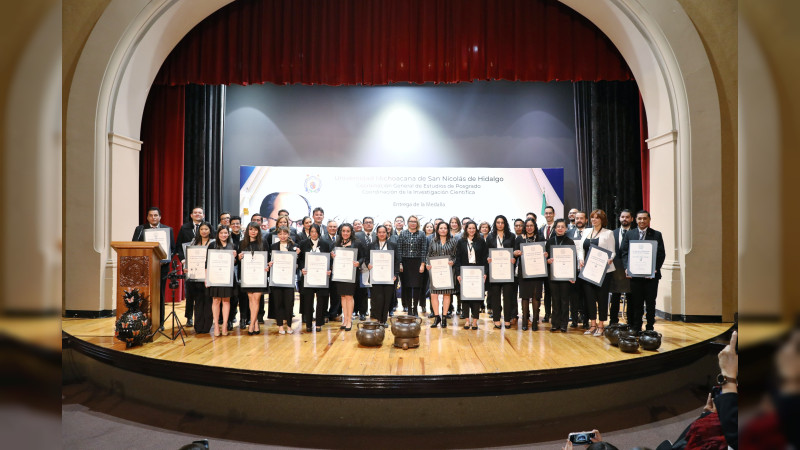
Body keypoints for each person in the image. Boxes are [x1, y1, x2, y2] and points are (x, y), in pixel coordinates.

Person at [620, 210, 666, 333]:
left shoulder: (656, 235)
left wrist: (655, 268)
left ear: (649, 220)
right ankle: (636, 327)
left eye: (645, 218)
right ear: (635, 220)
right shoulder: (630, 234)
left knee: (650, 303)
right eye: (639, 218)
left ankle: (650, 327)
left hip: (651, 276)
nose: (642, 221)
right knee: (636, 303)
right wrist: (626, 268)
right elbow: (624, 253)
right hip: (635, 276)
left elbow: (661, 254)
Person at [132, 206, 175, 329]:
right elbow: (135, 246)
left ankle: (160, 323)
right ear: (147, 217)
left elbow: (172, 248)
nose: (153, 217)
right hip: (144, 268)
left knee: (159, 295)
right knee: (143, 294)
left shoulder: (167, 229)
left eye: (155, 215)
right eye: (150, 215)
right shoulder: (140, 229)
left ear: (160, 217)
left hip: (162, 268)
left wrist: (165, 259)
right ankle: (142, 321)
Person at [578, 210, 616, 337]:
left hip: (604, 271)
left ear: (602, 220)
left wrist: (611, 258)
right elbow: (580, 249)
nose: (594, 220)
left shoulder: (608, 233)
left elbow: (612, 251)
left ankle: (601, 325)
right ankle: (592, 324)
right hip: (588, 271)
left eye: (597, 218)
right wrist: (581, 259)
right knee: (589, 298)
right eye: (592, 217)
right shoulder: (587, 231)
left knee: (602, 298)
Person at [330, 223, 364, 331]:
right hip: (340, 274)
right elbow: (332, 257)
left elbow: (363, 257)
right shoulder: (336, 243)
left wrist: (358, 263)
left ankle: (349, 320)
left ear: (351, 232)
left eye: (348, 231)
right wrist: (332, 256)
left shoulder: (357, 243)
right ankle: (345, 320)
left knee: (349, 296)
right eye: (343, 231)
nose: (345, 233)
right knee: (342, 297)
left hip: (351, 274)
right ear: (340, 232)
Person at [298, 224, 332, 332]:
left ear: (319, 233)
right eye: (312, 231)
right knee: (308, 300)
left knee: (321, 300)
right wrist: (302, 268)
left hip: (321, 277)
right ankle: (308, 323)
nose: (314, 234)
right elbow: (300, 259)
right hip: (308, 277)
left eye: (316, 232)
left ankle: (319, 323)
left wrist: (329, 269)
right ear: (309, 232)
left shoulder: (325, 244)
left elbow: (329, 259)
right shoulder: (303, 244)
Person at [455, 221, 488, 330]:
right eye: (469, 228)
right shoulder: (461, 241)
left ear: (476, 229)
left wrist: (485, 273)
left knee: (476, 297)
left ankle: (475, 321)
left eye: (473, 228)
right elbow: (458, 259)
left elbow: (484, 258)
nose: (472, 230)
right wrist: (458, 273)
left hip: (477, 271)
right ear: (466, 229)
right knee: (465, 297)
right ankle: (467, 321)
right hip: (465, 271)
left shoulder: (481, 241)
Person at [182, 221, 214, 333]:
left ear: (210, 230)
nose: (204, 231)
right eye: (201, 229)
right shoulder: (194, 241)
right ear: (198, 231)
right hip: (195, 277)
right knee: (198, 302)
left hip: (208, 276)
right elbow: (189, 257)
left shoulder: (214, 242)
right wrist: (186, 267)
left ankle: (207, 326)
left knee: (208, 302)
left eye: (206, 229)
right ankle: (198, 325)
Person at [268, 226, 301, 334]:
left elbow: (299, 262)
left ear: (288, 234)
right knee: (278, 302)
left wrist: (298, 256)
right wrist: (270, 263)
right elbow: (269, 261)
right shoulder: (273, 246)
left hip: (289, 279)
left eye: (285, 234)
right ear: (278, 235)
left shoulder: (294, 246)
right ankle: (280, 325)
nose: (283, 236)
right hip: (276, 279)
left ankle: (289, 325)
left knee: (289, 302)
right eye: (280, 234)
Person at [486, 215, 517, 329]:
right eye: (498, 222)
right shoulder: (490, 237)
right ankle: (496, 319)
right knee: (495, 296)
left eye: (502, 222)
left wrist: (514, 258)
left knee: (508, 296)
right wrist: (488, 258)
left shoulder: (511, 236)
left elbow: (514, 251)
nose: (500, 224)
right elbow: (486, 252)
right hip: (494, 270)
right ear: (495, 224)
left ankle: (507, 319)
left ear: (505, 224)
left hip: (507, 271)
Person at [514, 218, 545, 331]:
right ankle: (525, 322)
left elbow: (544, 252)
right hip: (524, 271)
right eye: (527, 226)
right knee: (525, 296)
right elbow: (514, 252)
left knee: (536, 296)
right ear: (524, 227)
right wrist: (516, 253)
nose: (529, 228)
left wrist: (545, 254)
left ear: (535, 226)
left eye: (531, 225)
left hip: (537, 271)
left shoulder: (540, 238)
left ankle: (535, 321)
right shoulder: (519, 239)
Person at [425, 222, 458, 328]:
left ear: (448, 230)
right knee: (433, 294)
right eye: (441, 228)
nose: (443, 230)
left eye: (445, 228)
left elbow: (457, 255)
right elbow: (428, 255)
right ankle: (436, 316)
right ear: (437, 230)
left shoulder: (453, 241)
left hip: (448, 271)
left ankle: (444, 317)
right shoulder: (432, 241)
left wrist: (453, 261)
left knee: (446, 294)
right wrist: (427, 264)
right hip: (435, 272)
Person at [366, 225, 399, 327]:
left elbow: (397, 261)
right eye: (379, 232)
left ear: (387, 233)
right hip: (376, 277)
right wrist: (368, 264)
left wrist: (395, 274)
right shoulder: (371, 245)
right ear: (377, 233)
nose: (381, 234)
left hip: (389, 277)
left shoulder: (393, 245)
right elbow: (367, 259)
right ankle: (378, 319)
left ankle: (383, 320)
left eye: (383, 232)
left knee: (387, 299)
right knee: (378, 299)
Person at [238, 222, 268, 335]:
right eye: (251, 229)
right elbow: (238, 260)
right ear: (247, 231)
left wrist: (267, 266)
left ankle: (251, 324)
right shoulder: (242, 243)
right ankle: (255, 323)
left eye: (255, 229)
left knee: (256, 299)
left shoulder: (263, 242)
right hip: (248, 276)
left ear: (258, 231)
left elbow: (267, 257)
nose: (253, 232)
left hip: (259, 276)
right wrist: (239, 257)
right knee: (251, 299)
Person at [208, 224, 237, 337]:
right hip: (215, 276)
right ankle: (216, 325)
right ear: (218, 234)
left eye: (225, 233)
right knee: (216, 301)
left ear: (228, 234)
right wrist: (207, 278)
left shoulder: (232, 245)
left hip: (227, 277)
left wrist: (235, 258)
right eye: (221, 233)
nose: (223, 235)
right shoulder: (212, 245)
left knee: (226, 301)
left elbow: (235, 263)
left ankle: (224, 325)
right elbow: (207, 262)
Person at [546, 219, 575, 333]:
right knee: (555, 299)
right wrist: (548, 260)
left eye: (562, 226)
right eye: (558, 226)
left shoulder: (570, 242)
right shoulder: (550, 241)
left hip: (566, 275)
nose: (560, 228)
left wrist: (572, 275)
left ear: (566, 229)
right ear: (555, 228)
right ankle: (555, 323)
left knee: (564, 300)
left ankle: (564, 324)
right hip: (553, 275)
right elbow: (546, 258)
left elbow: (573, 260)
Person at [397, 215, 428, 316]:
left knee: (417, 287)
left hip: (418, 263)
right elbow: (399, 249)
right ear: (408, 222)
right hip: (405, 263)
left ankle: (415, 308)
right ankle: (409, 308)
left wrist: (422, 264)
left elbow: (424, 250)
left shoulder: (422, 234)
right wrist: (400, 263)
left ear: (417, 223)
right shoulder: (403, 233)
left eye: (415, 221)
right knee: (406, 286)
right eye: (411, 221)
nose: (413, 223)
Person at [609, 209, 633, 324]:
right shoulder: (612, 233)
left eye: (627, 217)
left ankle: (630, 322)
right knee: (615, 297)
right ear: (619, 218)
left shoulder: (635, 233)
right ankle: (613, 321)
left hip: (630, 269)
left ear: (631, 219)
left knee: (631, 298)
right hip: (615, 269)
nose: (625, 219)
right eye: (622, 217)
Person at [568, 211, 590, 329]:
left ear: (586, 220)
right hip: (573, 269)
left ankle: (586, 321)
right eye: (577, 218)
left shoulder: (591, 232)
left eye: (581, 218)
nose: (579, 220)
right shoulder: (569, 233)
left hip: (587, 270)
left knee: (586, 296)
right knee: (574, 296)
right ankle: (574, 320)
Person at [228, 215, 247, 329]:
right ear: (230, 225)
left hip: (243, 270)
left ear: (240, 225)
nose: (235, 225)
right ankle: (230, 319)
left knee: (243, 296)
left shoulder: (245, 237)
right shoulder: (226, 236)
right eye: (233, 224)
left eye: (237, 223)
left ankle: (243, 319)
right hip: (230, 271)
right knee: (232, 297)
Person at [540, 205, 557, 323]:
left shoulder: (559, 227)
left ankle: (556, 314)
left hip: (555, 263)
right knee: (547, 291)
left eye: (550, 213)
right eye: (546, 213)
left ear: (554, 214)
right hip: (544, 264)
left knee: (555, 291)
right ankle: (547, 314)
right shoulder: (541, 229)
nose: (548, 215)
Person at [322, 219, 340, 321]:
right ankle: (324, 314)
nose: (332, 228)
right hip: (325, 271)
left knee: (336, 294)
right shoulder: (322, 238)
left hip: (337, 271)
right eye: (330, 226)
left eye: (334, 227)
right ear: (327, 228)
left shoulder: (340, 238)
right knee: (324, 294)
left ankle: (334, 314)